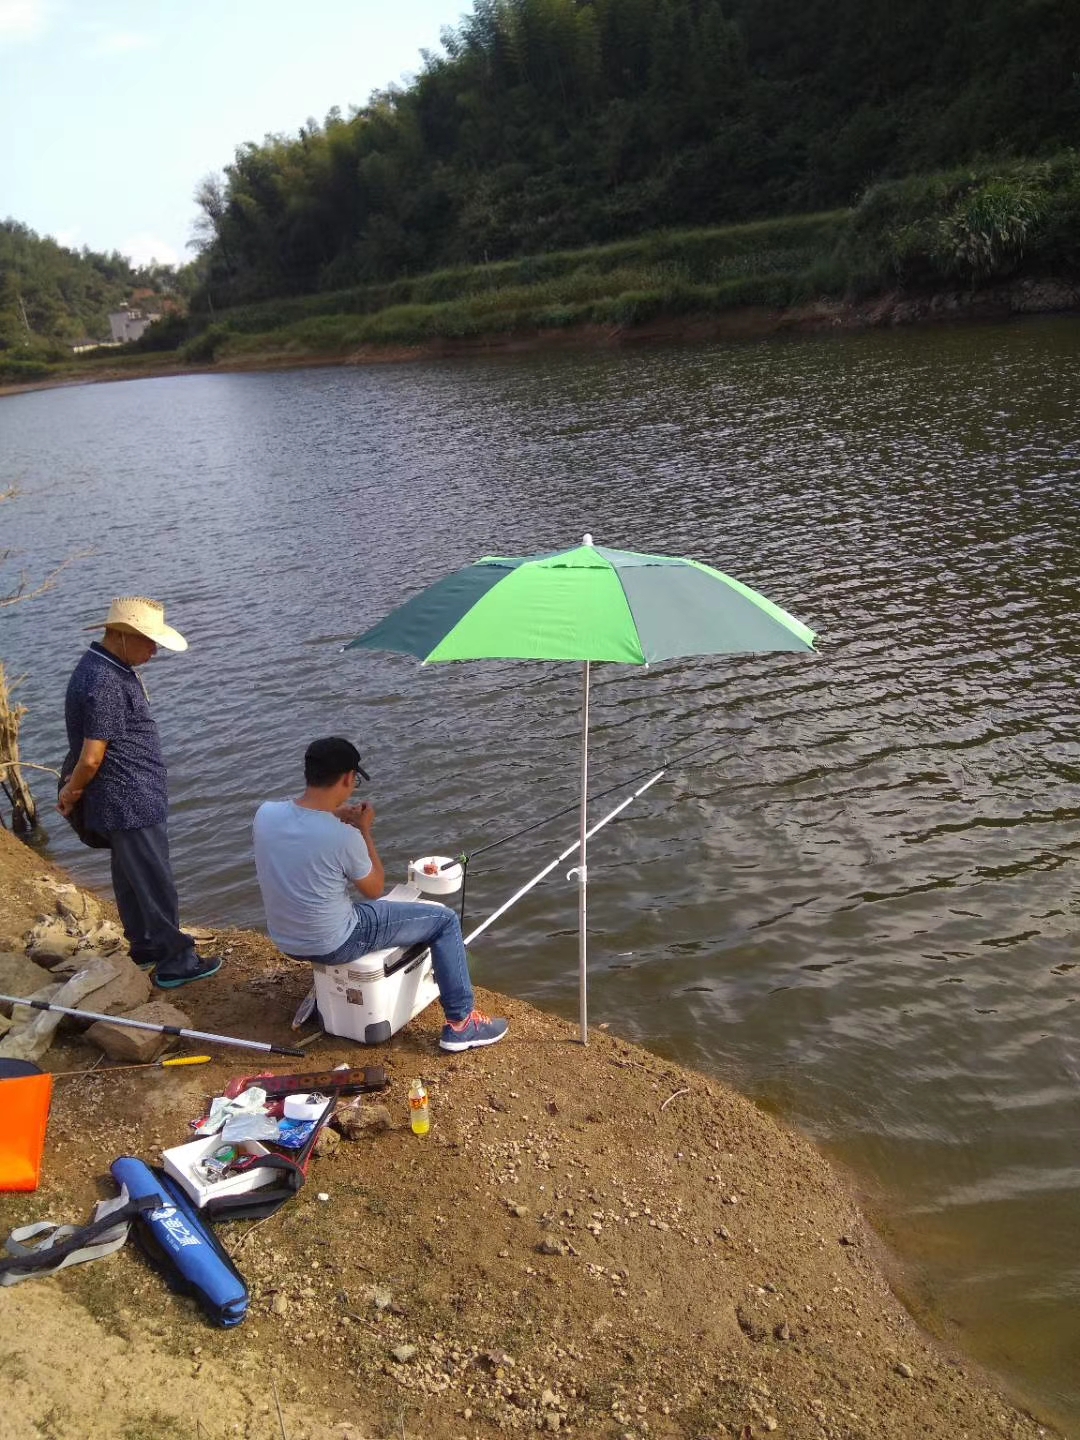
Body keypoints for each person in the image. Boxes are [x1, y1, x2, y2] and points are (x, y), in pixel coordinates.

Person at [253, 737, 508, 1052]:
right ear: (348, 778)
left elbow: (305, 825)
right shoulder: (344, 838)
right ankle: (462, 1023)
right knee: (443, 921)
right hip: (336, 942)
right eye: (355, 780)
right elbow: (374, 889)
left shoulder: (265, 815)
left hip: (287, 940)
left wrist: (338, 813)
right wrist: (364, 830)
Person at [59, 596, 221, 990]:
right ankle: (176, 961)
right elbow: (93, 755)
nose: (154, 650)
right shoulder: (104, 681)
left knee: (131, 877)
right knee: (154, 878)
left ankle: (145, 947)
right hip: (127, 797)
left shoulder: (105, 668)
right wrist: (72, 791)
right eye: (148, 641)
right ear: (120, 635)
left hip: (126, 795)